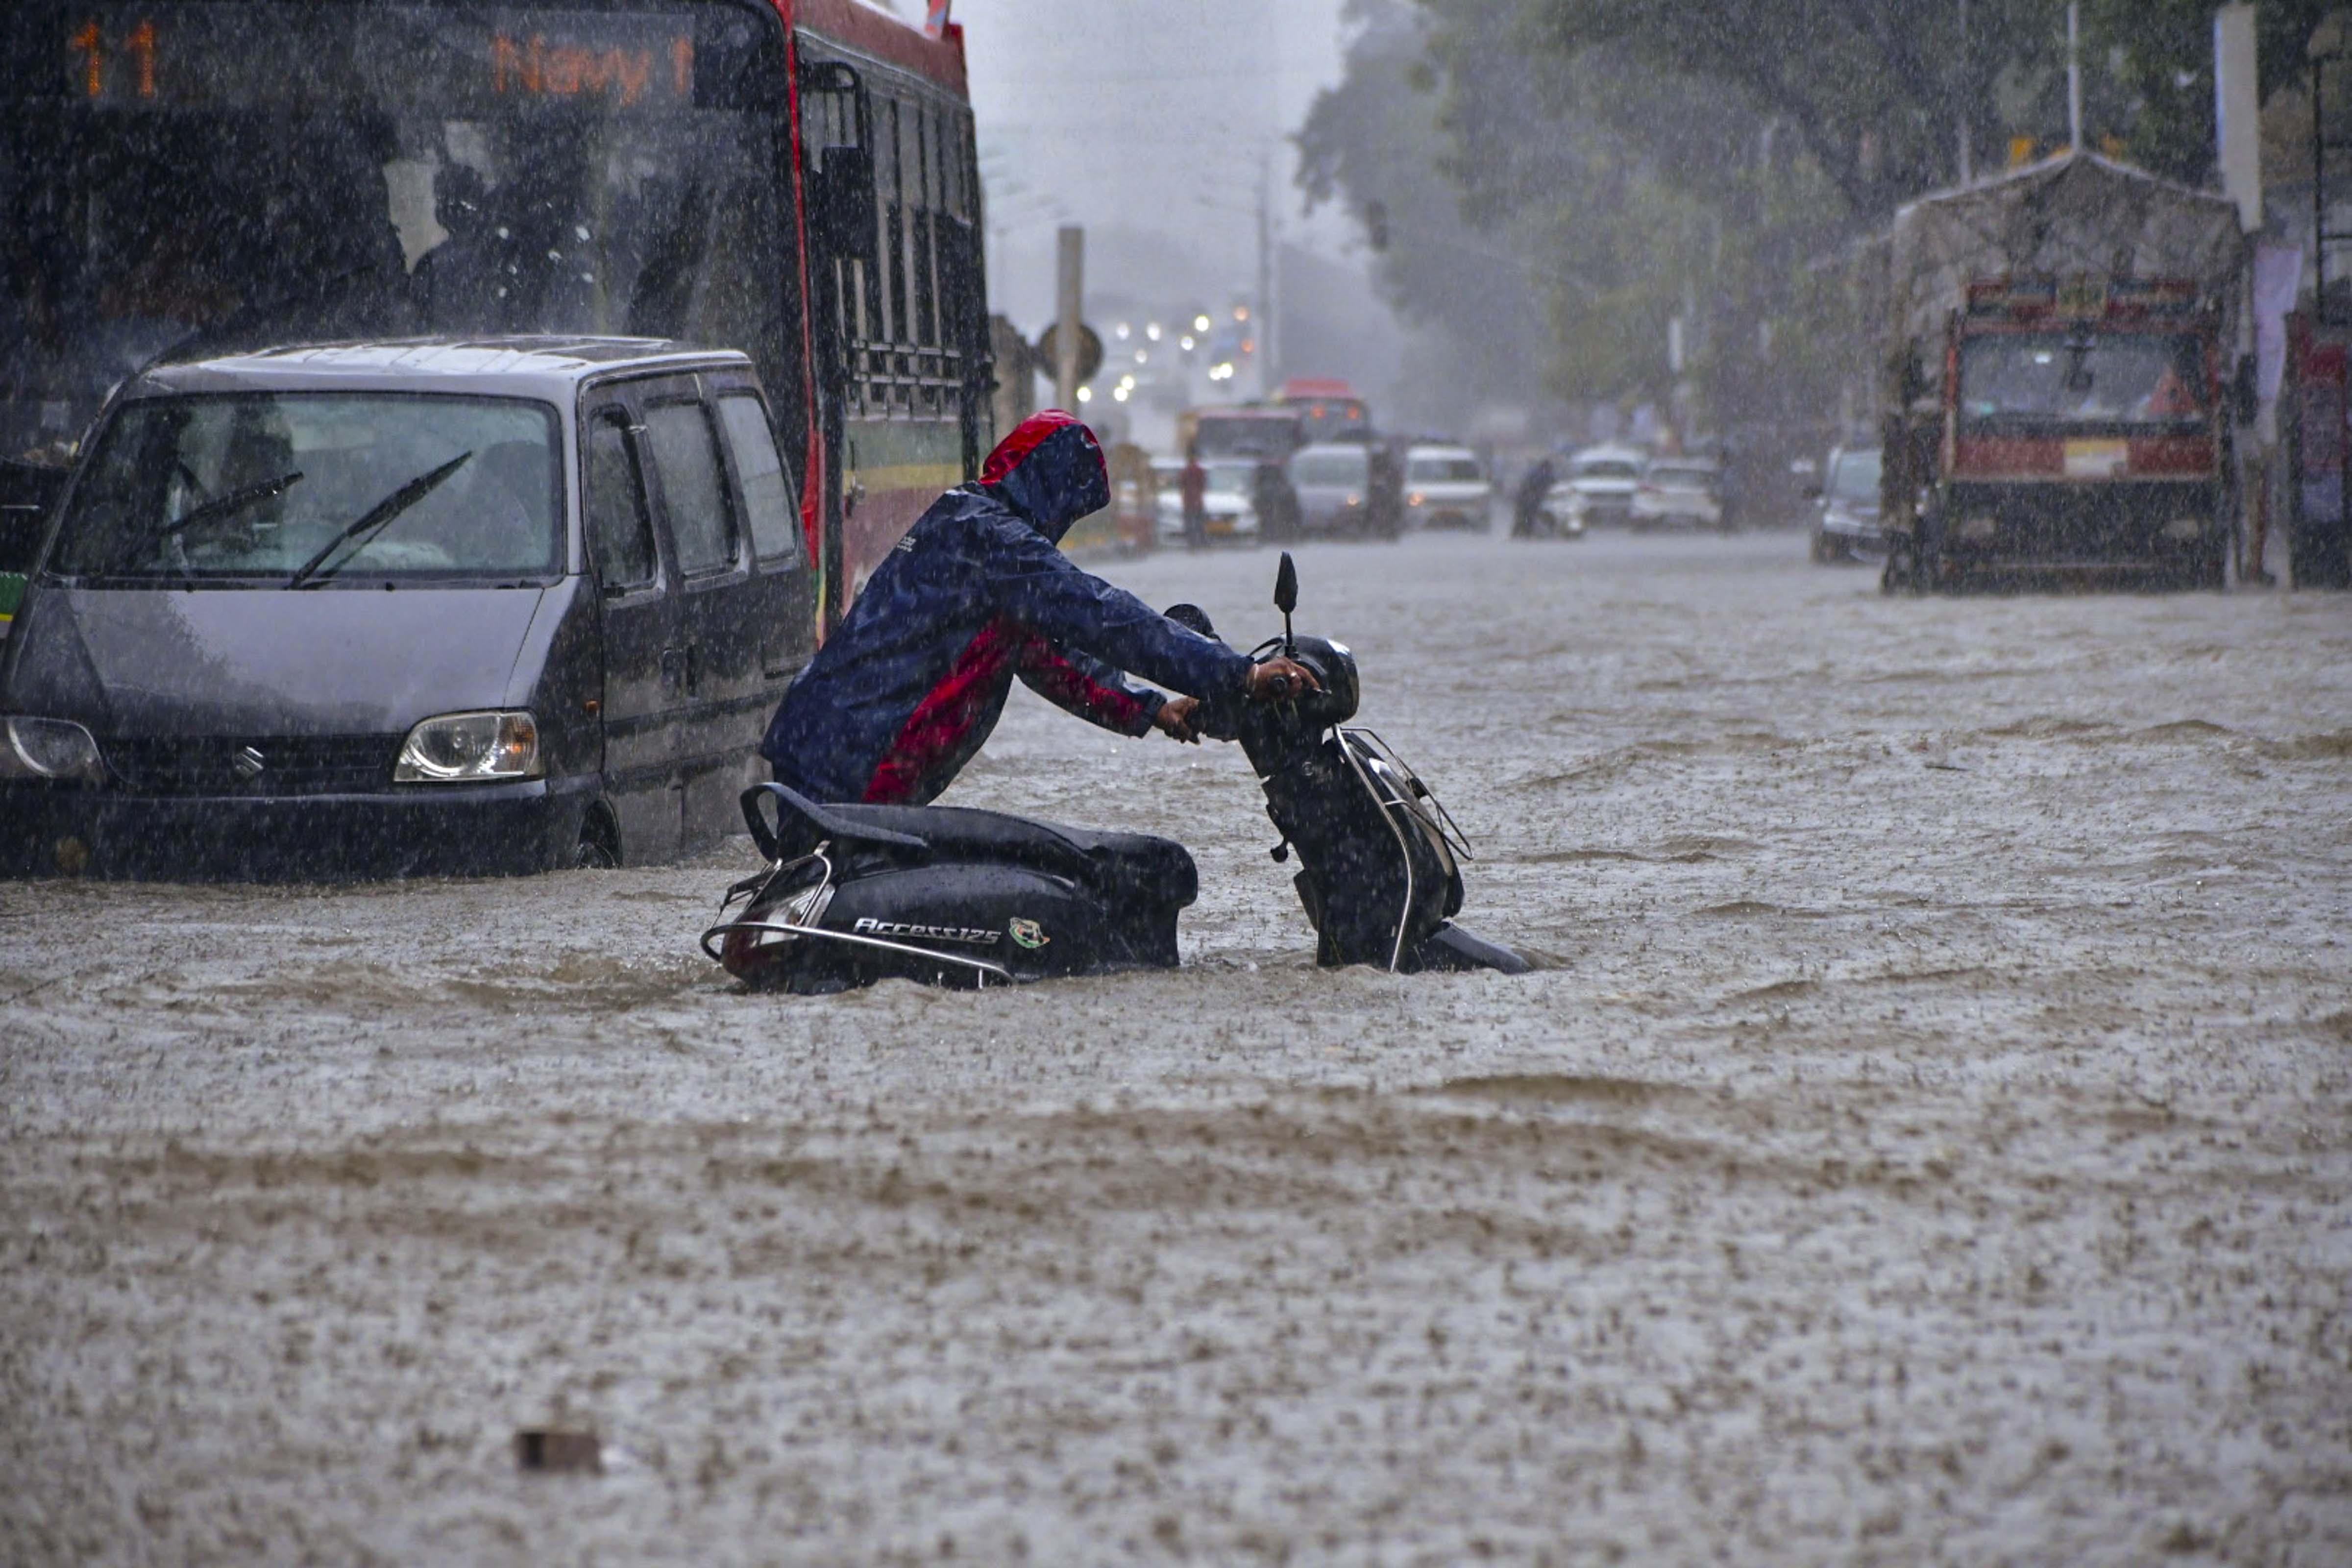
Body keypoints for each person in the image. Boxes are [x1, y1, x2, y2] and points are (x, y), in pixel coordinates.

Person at [760, 410, 1318, 806]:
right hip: (848, 765)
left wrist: (1152, 710)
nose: (1064, 527)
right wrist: (1240, 673)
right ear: (1051, 489)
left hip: (826, 754)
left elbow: (1057, 662)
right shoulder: (992, 542)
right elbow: (1105, 617)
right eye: (1071, 507)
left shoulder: (968, 525)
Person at [1512, 454, 1556, 537]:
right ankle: (1526, 532)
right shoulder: (1545, 474)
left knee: (1522, 517)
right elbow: (1552, 483)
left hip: (1525, 498)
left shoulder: (1534, 472)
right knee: (1528, 517)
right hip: (1532, 499)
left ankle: (1518, 533)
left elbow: (1525, 484)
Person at [1178, 442, 1208, 551]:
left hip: (1188, 501)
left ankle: (1192, 543)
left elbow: (1181, 485)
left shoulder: (1185, 471)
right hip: (1198, 500)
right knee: (1199, 523)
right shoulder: (1199, 470)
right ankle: (1202, 542)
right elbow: (1203, 484)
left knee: (1190, 523)